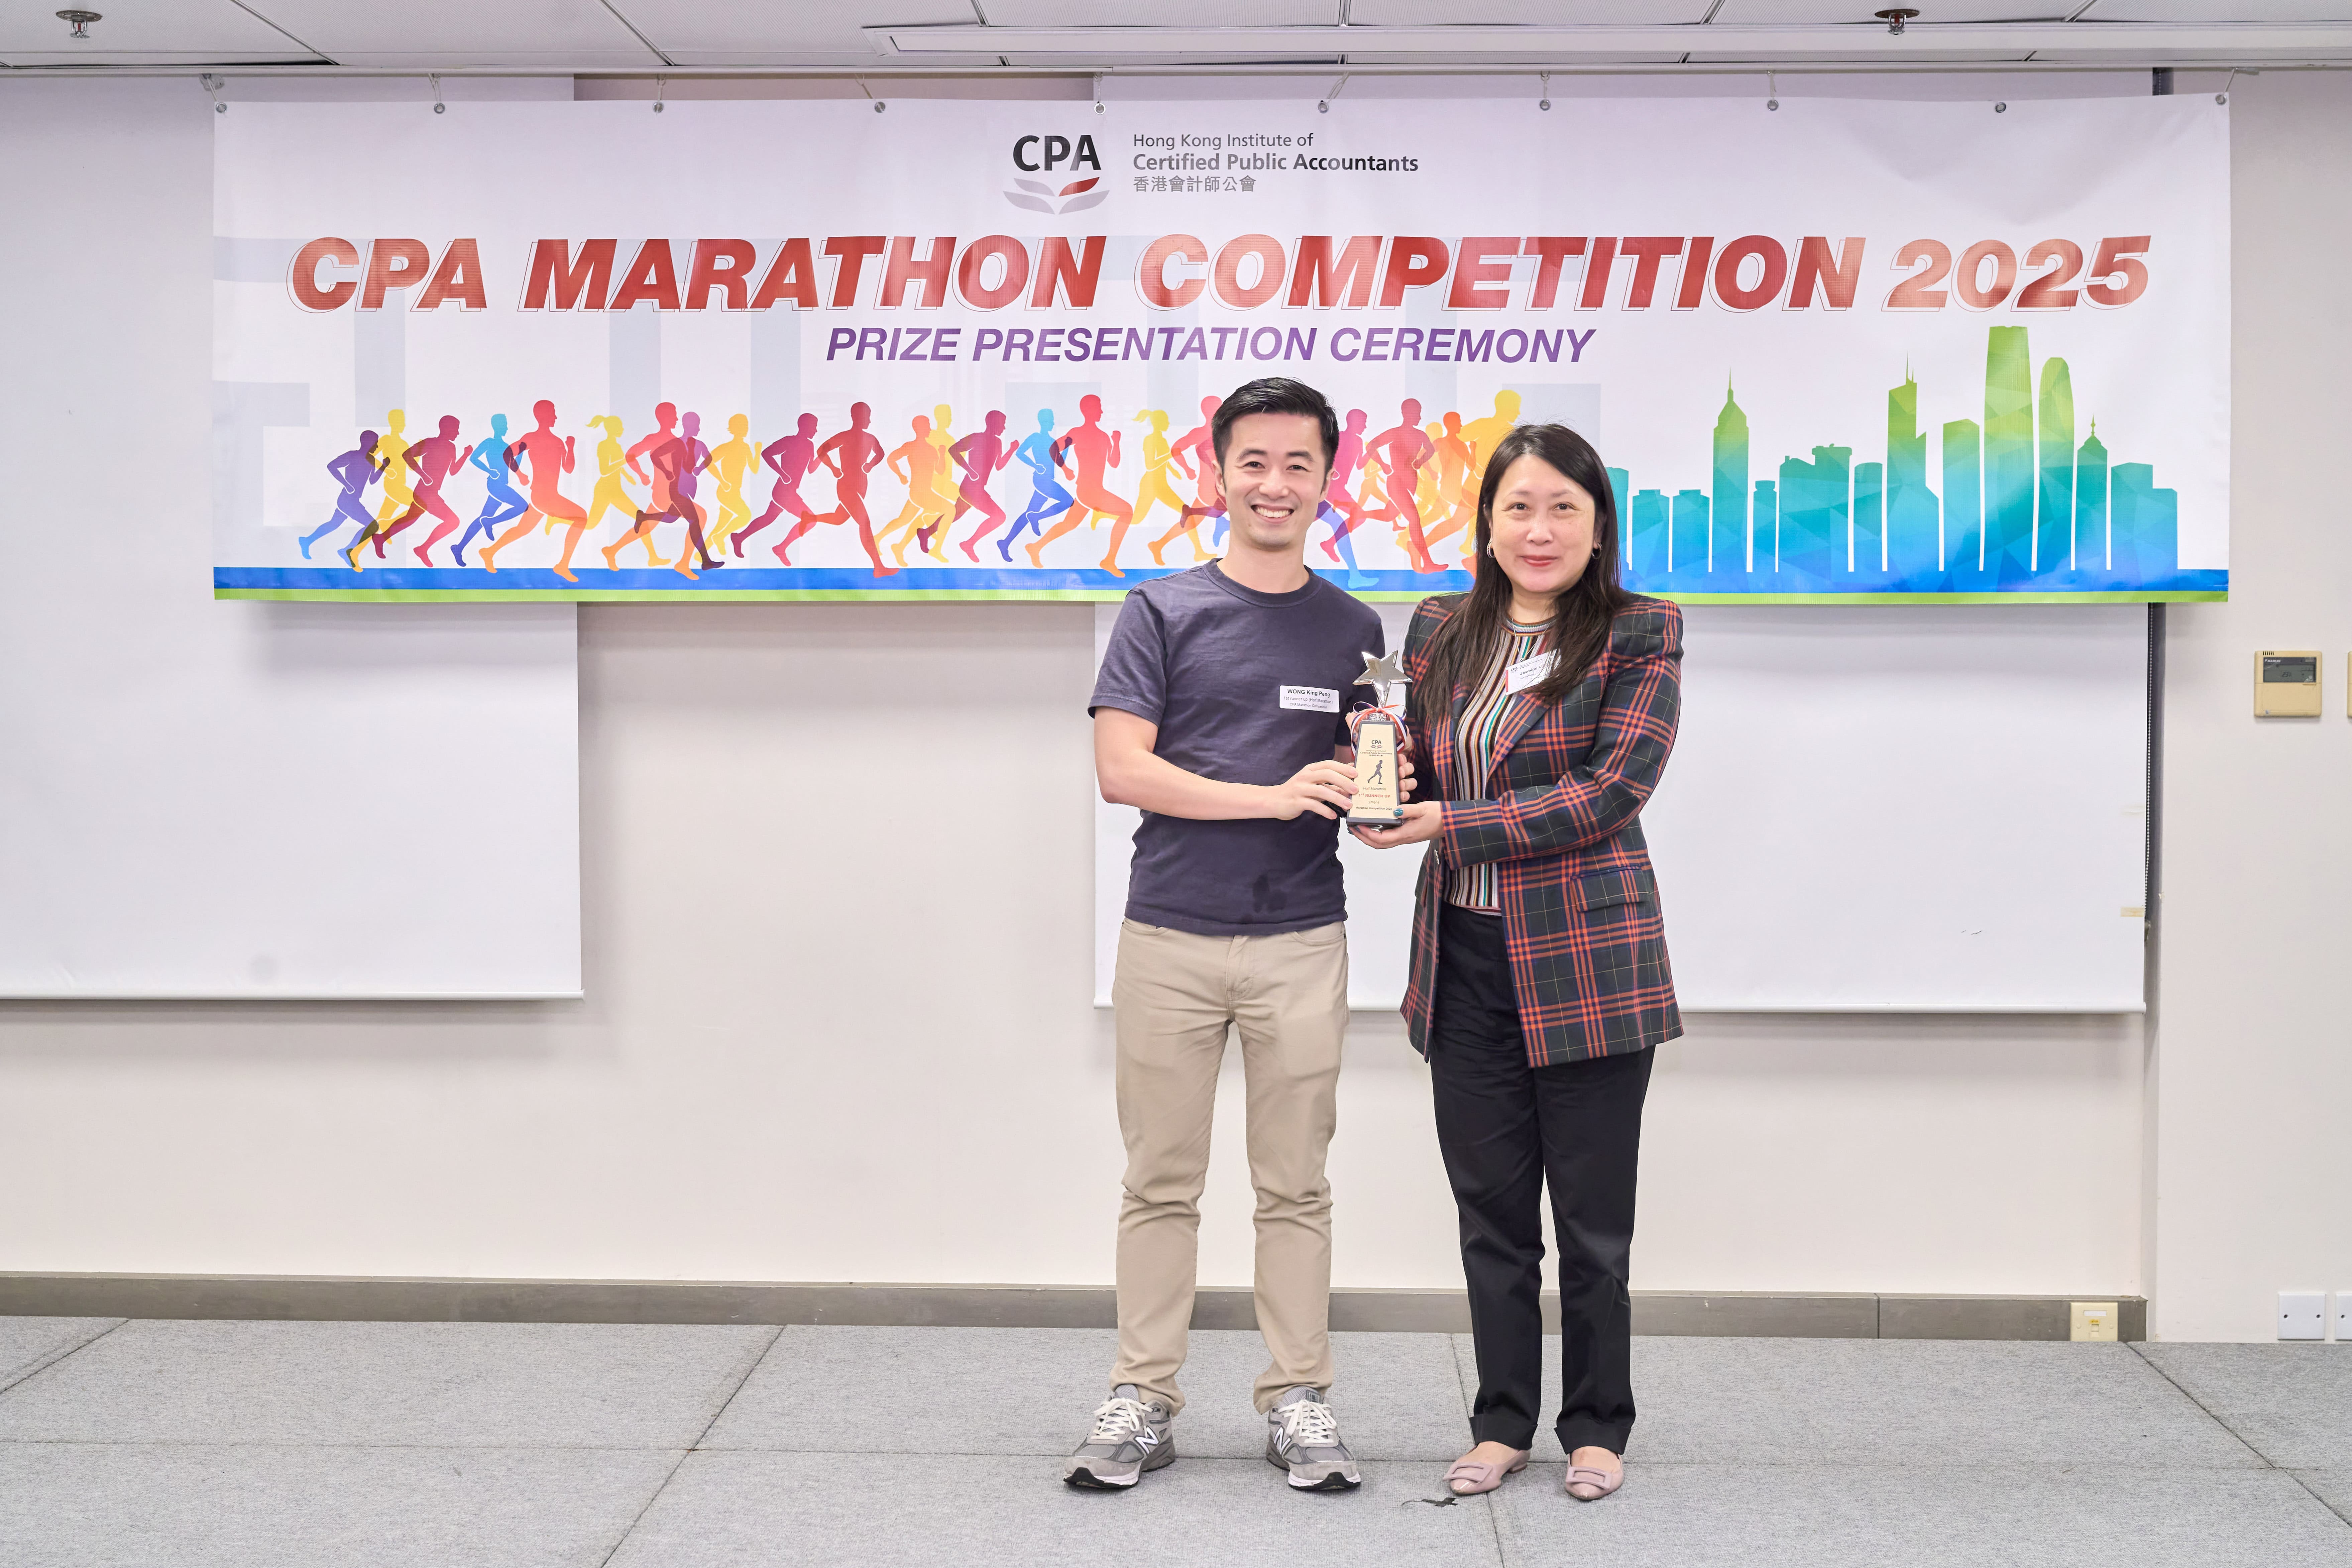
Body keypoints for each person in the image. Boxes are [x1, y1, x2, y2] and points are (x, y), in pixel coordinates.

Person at [1071, 377, 1409, 1496]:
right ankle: (1142, 1394)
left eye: (1297, 463)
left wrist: (1377, 790)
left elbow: (1358, 802)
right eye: (1253, 462)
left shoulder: (1355, 630)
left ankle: (1297, 1396)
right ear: (1217, 473)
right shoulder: (1159, 610)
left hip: (1301, 940)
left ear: (1326, 479)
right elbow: (1122, 770)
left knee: (1295, 1184)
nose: (1275, 483)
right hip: (1168, 936)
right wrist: (1270, 795)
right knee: (1159, 1180)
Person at [1350, 422, 1683, 1505]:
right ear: (1487, 525)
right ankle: (1500, 1422)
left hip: (1587, 960)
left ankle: (1595, 1425)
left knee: (1591, 1224)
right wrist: (1381, 772)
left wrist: (1448, 820)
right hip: (1465, 957)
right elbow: (1420, 754)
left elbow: (1608, 792)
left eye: (1562, 509)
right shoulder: (1441, 626)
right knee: (1490, 1217)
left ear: (1597, 526)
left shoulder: (1640, 630)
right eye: (1518, 508)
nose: (1539, 531)